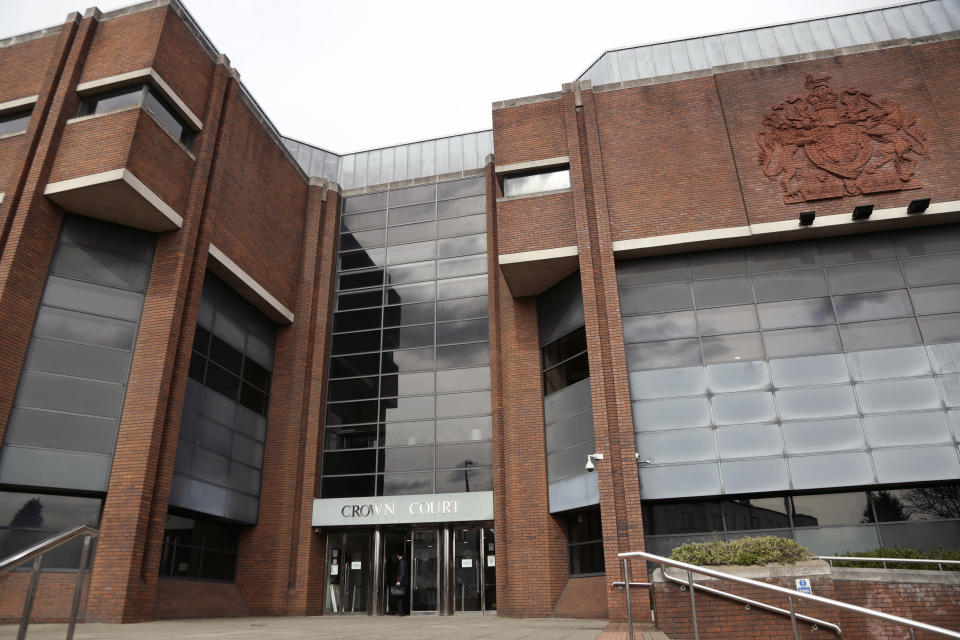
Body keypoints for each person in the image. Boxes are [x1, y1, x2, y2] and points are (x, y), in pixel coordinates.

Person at [394, 550, 409, 616]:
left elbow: (402, 572)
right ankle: (402, 611)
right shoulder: (404, 561)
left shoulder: (401, 561)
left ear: (397, 555)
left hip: (402, 582)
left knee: (399, 597)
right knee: (402, 597)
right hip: (404, 582)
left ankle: (400, 611)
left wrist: (399, 581)